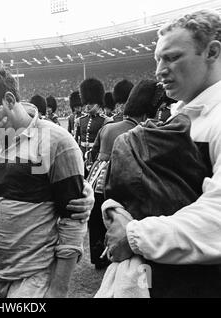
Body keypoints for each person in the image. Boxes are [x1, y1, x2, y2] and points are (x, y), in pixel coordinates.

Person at [105, 9, 221, 297]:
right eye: (157, 59)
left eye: (172, 57)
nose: (159, 71)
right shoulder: (180, 116)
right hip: (165, 280)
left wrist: (132, 235)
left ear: (212, 52)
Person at [0, 61, 87, 298]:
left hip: (33, 279)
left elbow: (72, 221)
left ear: (9, 100)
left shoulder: (56, 141)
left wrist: (58, 289)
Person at [87, 80, 165, 270]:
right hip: (118, 181)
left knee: (97, 221)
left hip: (95, 180)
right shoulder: (140, 131)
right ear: (146, 114)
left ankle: (99, 256)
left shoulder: (107, 126)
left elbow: (93, 153)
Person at [75, 78, 111, 174]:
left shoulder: (106, 121)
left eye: (90, 103)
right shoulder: (80, 120)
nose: (87, 106)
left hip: (96, 159)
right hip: (82, 158)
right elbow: (76, 141)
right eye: (86, 103)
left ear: (98, 103)